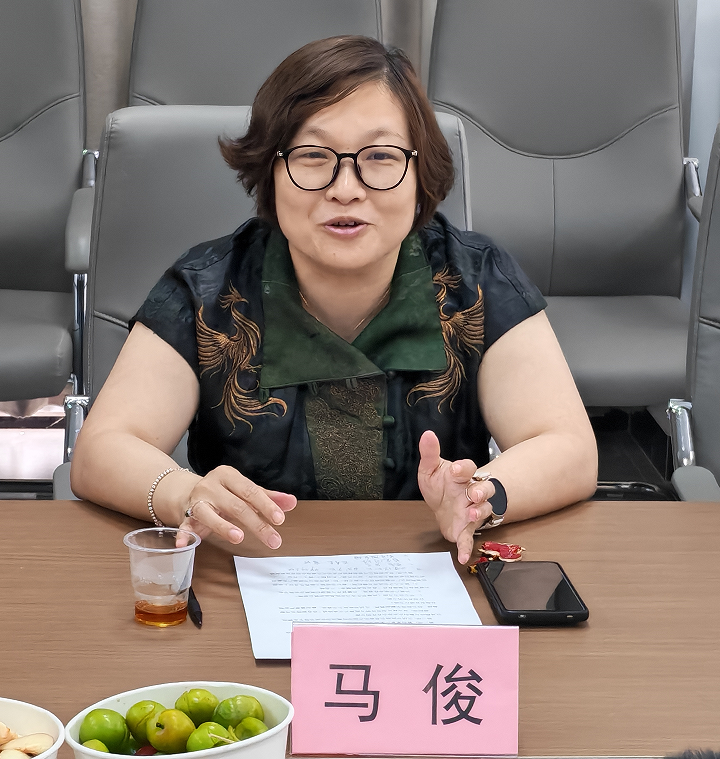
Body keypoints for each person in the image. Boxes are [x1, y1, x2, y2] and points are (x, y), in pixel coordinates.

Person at [71, 36, 597, 564]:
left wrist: (482, 497)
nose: (346, 189)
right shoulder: (207, 288)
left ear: (421, 173)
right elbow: (100, 449)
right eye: (313, 156)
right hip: (248, 574)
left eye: (381, 156)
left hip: (434, 576)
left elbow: (568, 446)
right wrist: (183, 493)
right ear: (270, 170)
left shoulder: (476, 280)